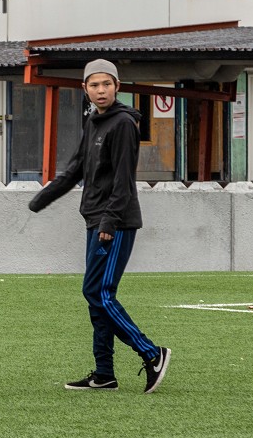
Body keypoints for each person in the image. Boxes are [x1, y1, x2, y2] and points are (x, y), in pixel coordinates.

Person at [28, 59, 171, 394]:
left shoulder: (122, 124)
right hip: (95, 218)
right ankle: (104, 373)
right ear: (85, 89)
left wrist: (109, 221)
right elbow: (76, 168)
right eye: (94, 85)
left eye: (107, 83)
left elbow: (123, 179)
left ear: (117, 86)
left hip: (116, 222)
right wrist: (43, 198)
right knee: (96, 296)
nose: (101, 90)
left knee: (99, 292)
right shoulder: (94, 120)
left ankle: (152, 353)